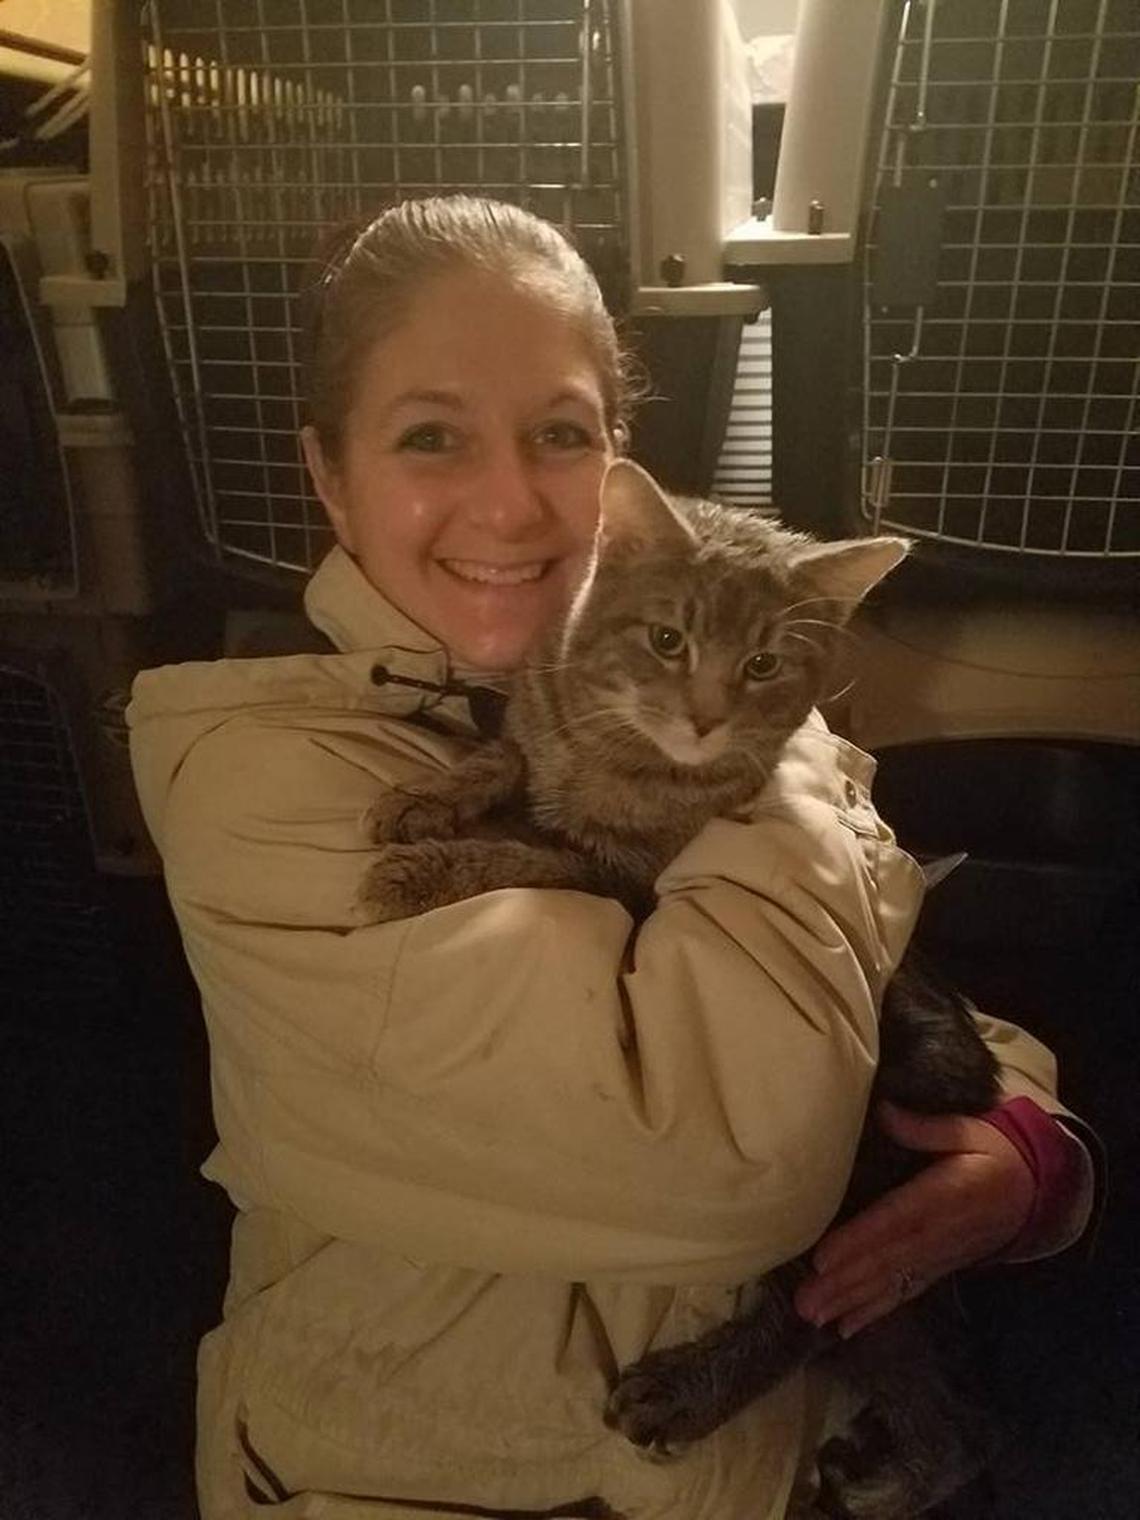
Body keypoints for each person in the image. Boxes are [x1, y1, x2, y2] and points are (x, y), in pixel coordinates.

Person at [128, 196, 1096, 1520]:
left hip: (795, 1459)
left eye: (562, 435)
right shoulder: (257, 779)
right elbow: (732, 1165)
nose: (511, 501)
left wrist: (1026, 1145)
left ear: (619, 470)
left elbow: (875, 962)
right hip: (465, 1480)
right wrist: (780, 751)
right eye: (430, 437)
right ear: (330, 476)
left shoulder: (665, 678)